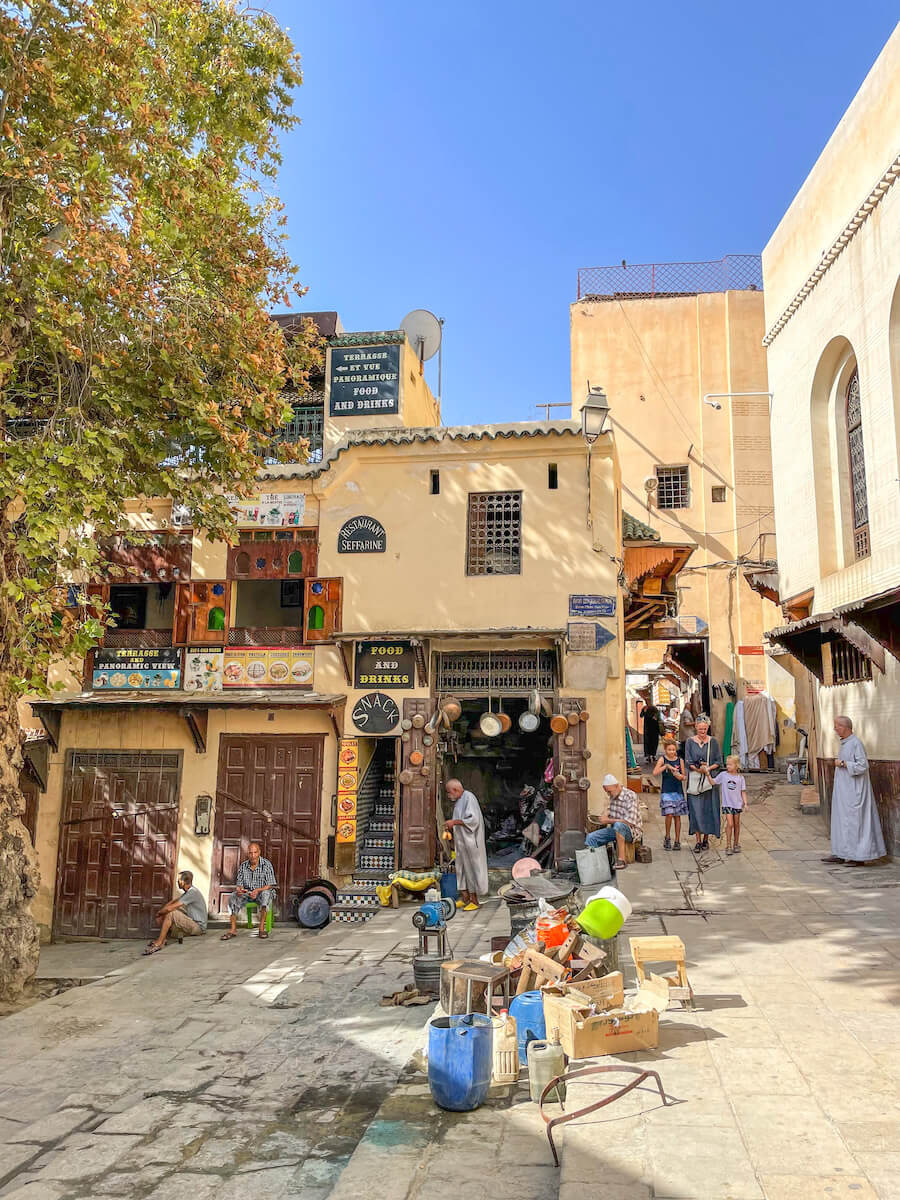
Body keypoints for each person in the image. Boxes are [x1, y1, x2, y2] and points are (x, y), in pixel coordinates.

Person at [822, 716, 886, 867]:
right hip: (844, 792)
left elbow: (863, 766)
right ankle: (840, 853)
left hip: (855, 792)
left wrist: (843, 763)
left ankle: (858, 856)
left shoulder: (856, 743)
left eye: (837, 726)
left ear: (845, 727)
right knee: (841, 821)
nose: (835, 729)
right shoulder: (846, 744)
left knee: (855, 823)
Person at [444, 779, 488, 911]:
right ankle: (465, 898)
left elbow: (473, 820)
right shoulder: (459, 801)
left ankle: (474, 901)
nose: (448, 795)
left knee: (470, 871)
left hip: (471, 843)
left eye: (449, 792)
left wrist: (454, 822)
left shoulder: (469, 798)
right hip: (462, 843)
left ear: (456, 790)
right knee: (461, 870)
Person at [585, 774, 643, 870]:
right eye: (607, 792)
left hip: (632, 831)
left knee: (618, 825)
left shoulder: (630, 795)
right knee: (591, 838)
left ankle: (622, 860)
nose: (609, 794)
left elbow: (630, 822)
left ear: (617, 786)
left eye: (609, 791)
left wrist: (608, 820)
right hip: (616, 830)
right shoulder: (614, 794)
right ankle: (595, 867)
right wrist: (605, 814)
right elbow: (612, 810)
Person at [221, 842, 277, 940]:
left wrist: (257, 890)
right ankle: (233, 930)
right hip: (247, 893)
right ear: (248, 854)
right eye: (250, 853)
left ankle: (261, 928)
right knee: (233, 896)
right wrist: (240, 889)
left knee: (266, 894)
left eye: (255, 852)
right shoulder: (243, 866)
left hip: (261, 892)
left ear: (259, 852)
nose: (253, 855)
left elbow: (270, 885)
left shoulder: (266, 865)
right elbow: (239, 884)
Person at [143, 870, 207, 955]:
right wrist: (162, 912)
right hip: (193, 922)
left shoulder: (192, 892)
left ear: (183, 882)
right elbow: (173, 903)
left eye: (178, 880)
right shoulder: (188, 892)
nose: (177, 882)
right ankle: (164, 939)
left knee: (171, 913)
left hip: (198, 927)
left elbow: (171, 908)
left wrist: (159, 913)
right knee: (168, 911)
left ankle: (159, 942)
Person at [685, 715, 722, 852]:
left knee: (708, 809)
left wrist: (707, 769)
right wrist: (698, 769)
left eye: (705, 729)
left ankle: (706, 839)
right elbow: (688, 761)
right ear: (696, 727)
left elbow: (719, 761)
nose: (702, 731)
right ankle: (698, 840)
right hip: (695, 779)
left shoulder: (714, 742)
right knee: (696, 810)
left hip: (709, 779)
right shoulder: (689, 742)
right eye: (700, 729)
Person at [653, 741, 687, 851]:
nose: (671, 752)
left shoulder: (680, 760)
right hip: (667, 791)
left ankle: (677, 840)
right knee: (669, 814)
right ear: (665, 750)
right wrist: (666, 766)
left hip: (677, 791)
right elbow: (655, 772)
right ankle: (667, 837)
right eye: (669, 750)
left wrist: (678, 775)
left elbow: (683, 776)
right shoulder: (663, 759)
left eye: (673, 750)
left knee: (677, 816)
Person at [714, 755, 747, 854]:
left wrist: (745, 803)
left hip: (737, 804)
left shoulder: (740, 778)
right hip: (727, 804)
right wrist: (707, 774)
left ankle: (736, 844)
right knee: (730, 824)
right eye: (727, 764)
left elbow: (743, 791)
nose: (727, 766)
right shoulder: (723, 775)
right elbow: (714, 781)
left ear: (736, 766)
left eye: (730, 764)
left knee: (736, 824)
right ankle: (728, 845)